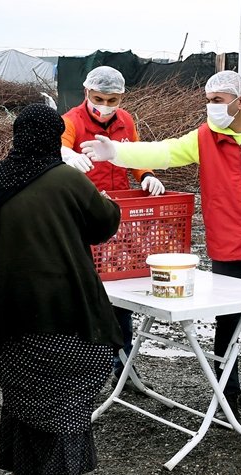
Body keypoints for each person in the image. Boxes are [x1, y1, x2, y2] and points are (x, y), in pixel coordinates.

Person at [81, 70, 241, 418]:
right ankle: (226, 396)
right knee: (228, 322)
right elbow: (164, 152)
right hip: (228, 245)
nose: (211, 107)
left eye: (217, 101)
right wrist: (116, 152)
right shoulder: (205, 137)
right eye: (209, 100)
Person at [0, 103, 123, 475]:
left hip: (5, 313)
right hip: (66, 309)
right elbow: (104, 224)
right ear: (53, 138)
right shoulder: (67, 179)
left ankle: (24, 472)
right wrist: (103, 201)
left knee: (22, 384)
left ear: (17, 137)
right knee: (73, 380)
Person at [60, 65, 166, 390]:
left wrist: (146, 174)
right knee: (89, 293)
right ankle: (88, 372)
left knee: (122, 291)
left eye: (112, 99)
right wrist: (65, 153)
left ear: (121, 97)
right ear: (86, 93)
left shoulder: (126, 121)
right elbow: (60, 146)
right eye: (99, 98)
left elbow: (132, 154)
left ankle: (124, 370)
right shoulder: (71, 120)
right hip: (84, 218)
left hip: (120, 218)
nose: (105, 105)